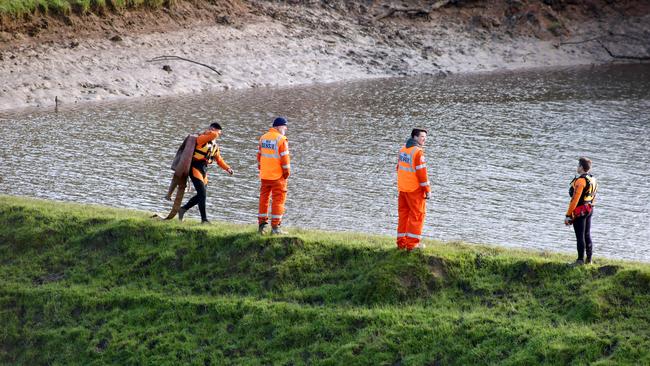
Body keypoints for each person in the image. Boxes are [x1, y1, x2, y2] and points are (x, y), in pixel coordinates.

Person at [178, 122, 234, 223]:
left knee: (202, 194)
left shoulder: (214, 145)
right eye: (218, 133)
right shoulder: (201, 139)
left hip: (204, 170)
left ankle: (183, 209)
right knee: (202, 194)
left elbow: (219, 159)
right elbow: (213, 134)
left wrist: (228, 168)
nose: (218, 136)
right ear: (212, 130)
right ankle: (204, 220)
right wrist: (211, 131)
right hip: (195, 168)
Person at [396, 128, 431, 250]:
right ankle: (412, 245)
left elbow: (398, 168)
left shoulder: (403, 150)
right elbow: (422, 174)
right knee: (417, 216)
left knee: (403, 216)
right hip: (414, 190)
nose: (424, 139)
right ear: (415, 137)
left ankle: (401, 243)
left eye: (425, 137)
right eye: (422, 137)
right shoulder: (418, 153)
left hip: (403, 189)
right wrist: (427, 189)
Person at [257, 117, 291, 235]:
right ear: (278, 126)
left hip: (265, 175)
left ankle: (262, 225)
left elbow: (259, 156)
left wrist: (261, 169)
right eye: (284, 126)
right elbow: (285, 159)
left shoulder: (263, 138)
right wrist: (286, 173)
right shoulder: (281, 139)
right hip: (277, 176)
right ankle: (275, 228)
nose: (286, 128)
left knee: (264, 199)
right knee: (278, 200)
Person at [564, 157, 598, 265]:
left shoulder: (580, 181)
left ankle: (580, 260)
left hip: (580, 210)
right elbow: (593, 196)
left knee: (580, 236)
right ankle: (589, 260)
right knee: (587, 234)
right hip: (590, 208)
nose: (576, 167)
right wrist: (591, 207)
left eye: (578, 165)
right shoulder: (593, 179)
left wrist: (568, 215)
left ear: (581, 167)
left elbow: (574, 200)